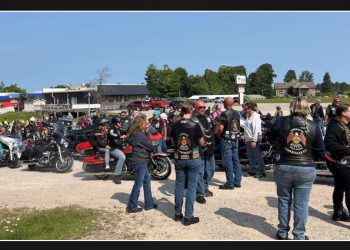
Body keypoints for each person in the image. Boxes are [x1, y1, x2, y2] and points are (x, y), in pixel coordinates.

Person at [266, 97, 325, 240]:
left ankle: (282, 232)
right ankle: (299, 235)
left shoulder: (280, 121)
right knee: (301, 203)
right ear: (307, 108)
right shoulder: (314, 125)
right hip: (305, 166)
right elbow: (320, 150)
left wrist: (278, 145)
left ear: (291, 107)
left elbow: (269, 136)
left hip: (284, 165)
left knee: (284, 199)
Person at [171, 102, 205, 225]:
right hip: (193, 158)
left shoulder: (174, 125)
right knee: (191, 188)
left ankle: (177, 213)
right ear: (191, 111)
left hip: (179, 158)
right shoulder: (195, 125)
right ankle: (188, 216)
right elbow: (201, 142)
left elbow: (173, 141)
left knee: (179, 186)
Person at [324, 103, 350, 222]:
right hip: (337, 161)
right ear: (344, 113)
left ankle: (338, 212)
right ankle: (339, 211)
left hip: (344, 160)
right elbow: (330, 145)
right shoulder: (334, 126)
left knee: (339, 186)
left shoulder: (346, 124)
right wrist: (347, 150)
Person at [126, 114, 157, 213]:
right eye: (145, 123)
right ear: (140, 124)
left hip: (140, 160)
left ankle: (149, 203)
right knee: (138, 184)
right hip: (140, 161)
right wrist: (147, 133)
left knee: (146, 182)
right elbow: (150, 146)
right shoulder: (141, 135)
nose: (146, 124)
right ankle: (131, 206)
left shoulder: (136, 133)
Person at [215, 97, 242, 189]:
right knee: (236, 160)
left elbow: (221, 128)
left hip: (226, 139)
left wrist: (218, 135)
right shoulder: (237, 113)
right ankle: (237, 181)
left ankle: (230, 183)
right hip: (235, 139)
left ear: (225, 104)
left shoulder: (224, 113)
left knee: (228, 161)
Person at [192, 100, 216, 204]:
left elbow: (213, 130)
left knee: (210, 171)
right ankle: (200, 193)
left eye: (204, 107)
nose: (202, 109)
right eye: (200, 107)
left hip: (210, 149)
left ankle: (205, 188)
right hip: (198, 150)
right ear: (195, 108)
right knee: (200, 172)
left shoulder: (208, 117)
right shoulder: (192, 120)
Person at [243, 102, 266, 178]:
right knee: (251, 156)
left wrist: (254, 140)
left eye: (246, 108)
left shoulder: (255, 117)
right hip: (248, 139)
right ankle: (252, 170)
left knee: (257, 155)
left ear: (250, 108)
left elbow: (256, 129)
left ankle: (261, 171)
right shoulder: (249, 116)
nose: (244, 110)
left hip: (253, 139)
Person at [108, 116, 127, 184]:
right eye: (119, 122)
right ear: (115, 123)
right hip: (113, 148)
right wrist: (120, 136)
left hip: (119, 147)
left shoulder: (119, 128)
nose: (120, 123)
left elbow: (125, 132)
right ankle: (116, 175)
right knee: (122, 157)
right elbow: (112, 135)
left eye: (120, 122)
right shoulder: (112, 129)